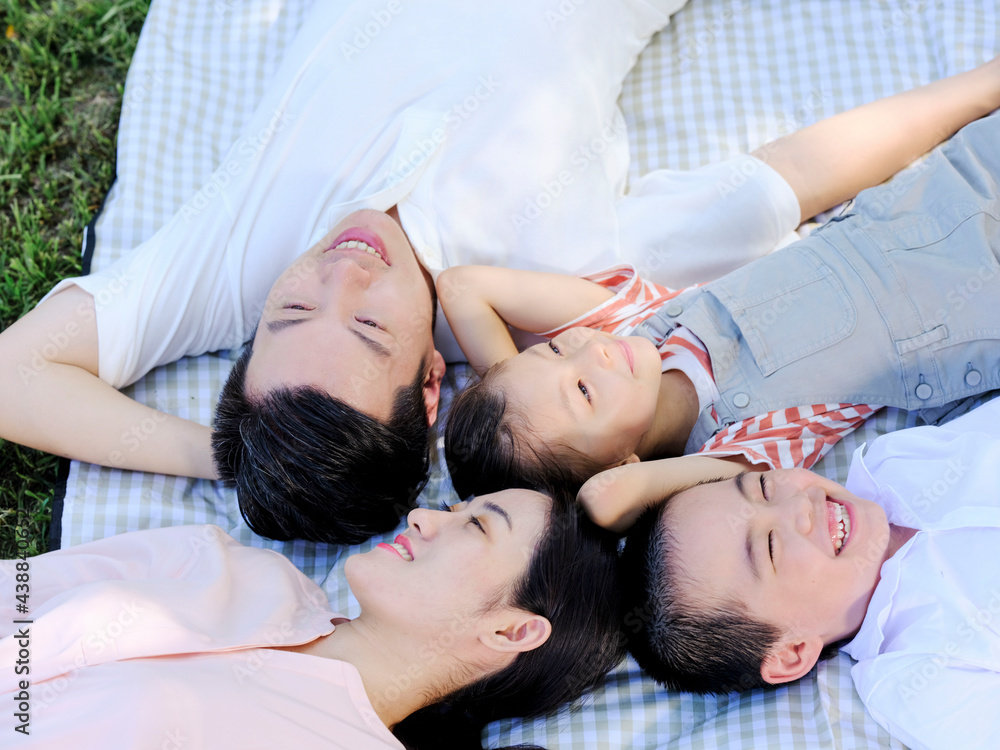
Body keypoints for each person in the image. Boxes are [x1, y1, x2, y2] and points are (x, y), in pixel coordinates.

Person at [439, 65, 1000, 500]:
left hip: (923, 204)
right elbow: (610, 500)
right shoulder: (729, 452)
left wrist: (507, 388)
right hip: (967, 311)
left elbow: (464, 289)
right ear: (619, 464)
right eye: (582, 392)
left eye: (557, 349)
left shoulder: (634, 322)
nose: (590, 351)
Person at [0, 486, 624, 749]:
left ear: (512, 630)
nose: (423, 518)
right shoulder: (237, 566)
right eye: (449, 505)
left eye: (477, 526)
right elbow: (22, 588)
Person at [609, 392, 1000, 750]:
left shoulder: (891, 461)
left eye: (763, 488)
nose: (798, 506)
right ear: (793, 651)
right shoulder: (914, 682)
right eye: (771, 548)